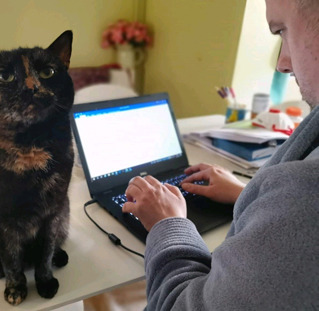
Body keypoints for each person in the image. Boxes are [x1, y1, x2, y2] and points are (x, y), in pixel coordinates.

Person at [123, 0, 319, 309]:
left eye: (281, 30)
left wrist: (169, 223)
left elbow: (180, 305)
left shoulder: (307, 197)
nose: (282, 63)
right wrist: (248, 194)